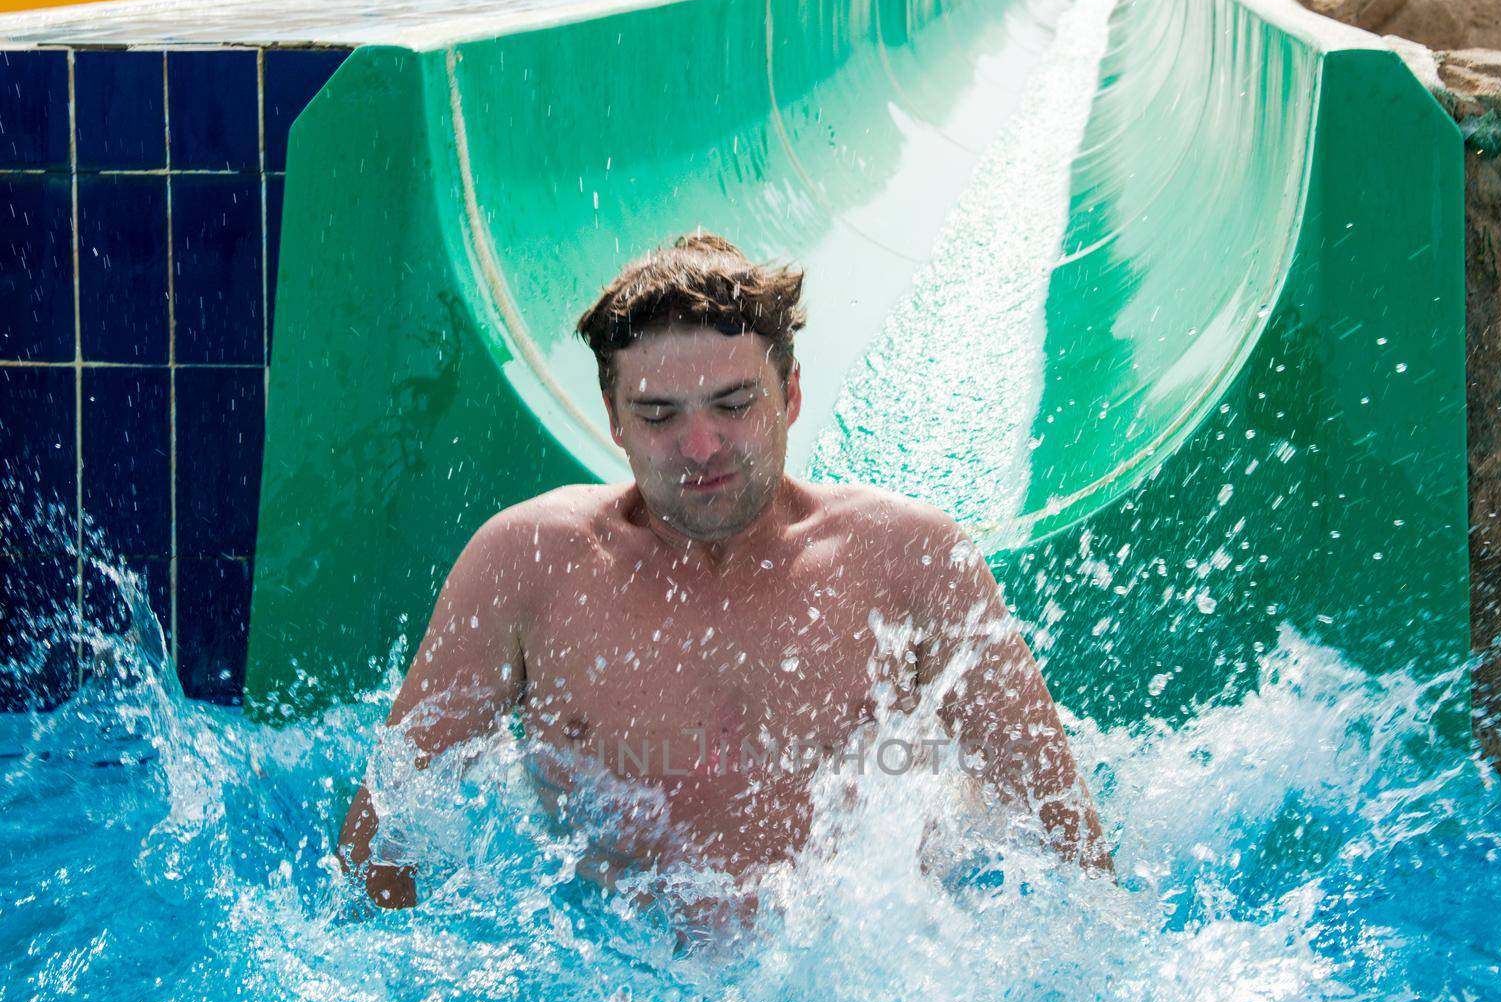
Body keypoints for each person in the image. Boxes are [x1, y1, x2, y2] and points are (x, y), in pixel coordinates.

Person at [338, 233, 1110, 910]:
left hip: (869, 994)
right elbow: (379, 840)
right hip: (619, 1001)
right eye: (659, 414)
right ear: (613, 420)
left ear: (792, 393)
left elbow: (1066, 841)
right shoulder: (528, 564)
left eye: (733, 404)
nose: (700, 446)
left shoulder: (907, 559)